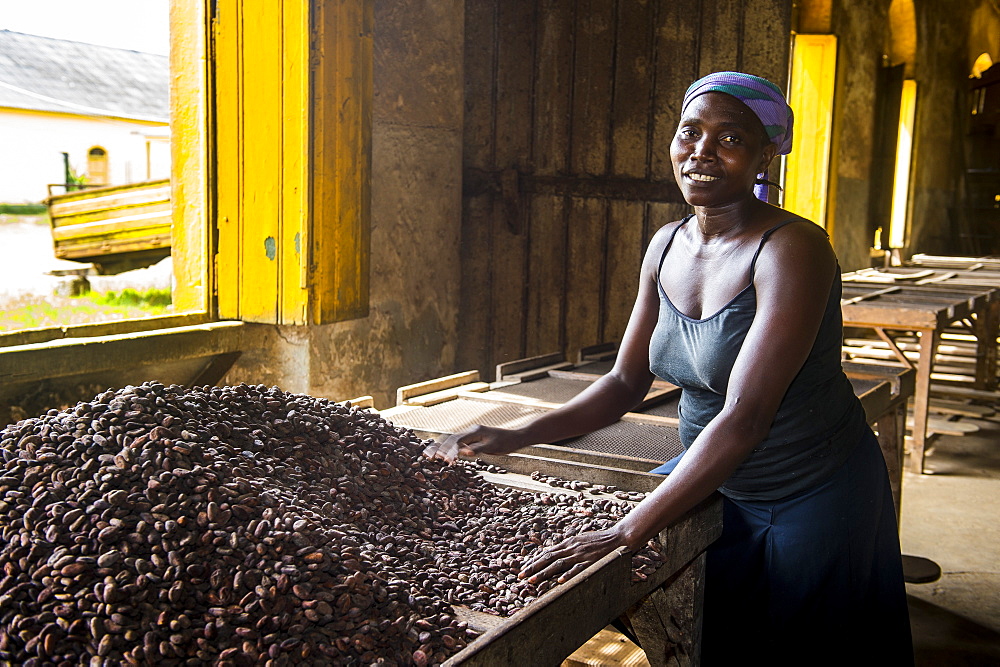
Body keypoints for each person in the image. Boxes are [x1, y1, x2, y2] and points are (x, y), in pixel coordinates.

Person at [425, 71, 913, 665]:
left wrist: (629, 530)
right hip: (714, 478)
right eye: (690, 132)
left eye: (730, 138)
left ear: (766, 154)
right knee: (718, 632)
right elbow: (625, 383)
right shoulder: (666, 244)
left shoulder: (792, 249)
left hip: (809, 484)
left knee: (805, 641)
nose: (702, 151)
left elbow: (746, 416)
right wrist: (515, 432)